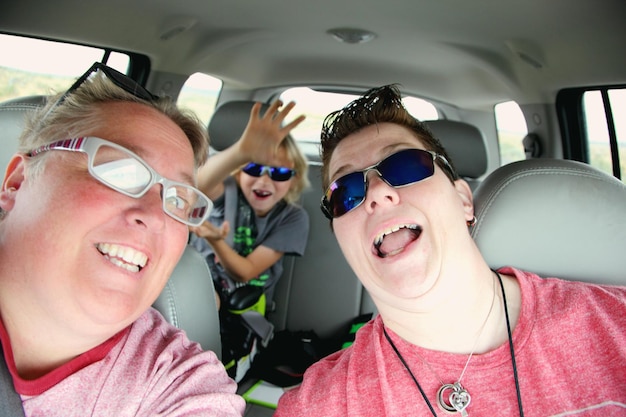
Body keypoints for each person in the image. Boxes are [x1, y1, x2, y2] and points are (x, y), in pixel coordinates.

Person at [274, 85, 626, 416]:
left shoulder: (615, 324)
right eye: (346, 191)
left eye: (404, 165)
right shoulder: (319, 406)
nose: (378, 194)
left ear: (462, 200)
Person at [0, 62, 245, 416]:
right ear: (17, 182)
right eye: (119, 171)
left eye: (178, 200)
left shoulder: (175, 380)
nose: (156, 216)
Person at [189, 100, 310, 380]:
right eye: (254, 169)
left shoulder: (292, 218)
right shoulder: (228, 191)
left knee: (208, 303)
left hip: (242, 304)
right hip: (195, 282)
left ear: (294, 180)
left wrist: (216, 241)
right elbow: (196, 187)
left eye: (279, 173)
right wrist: (240, 152)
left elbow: (245, 270)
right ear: (239, 171)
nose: (264, 182)